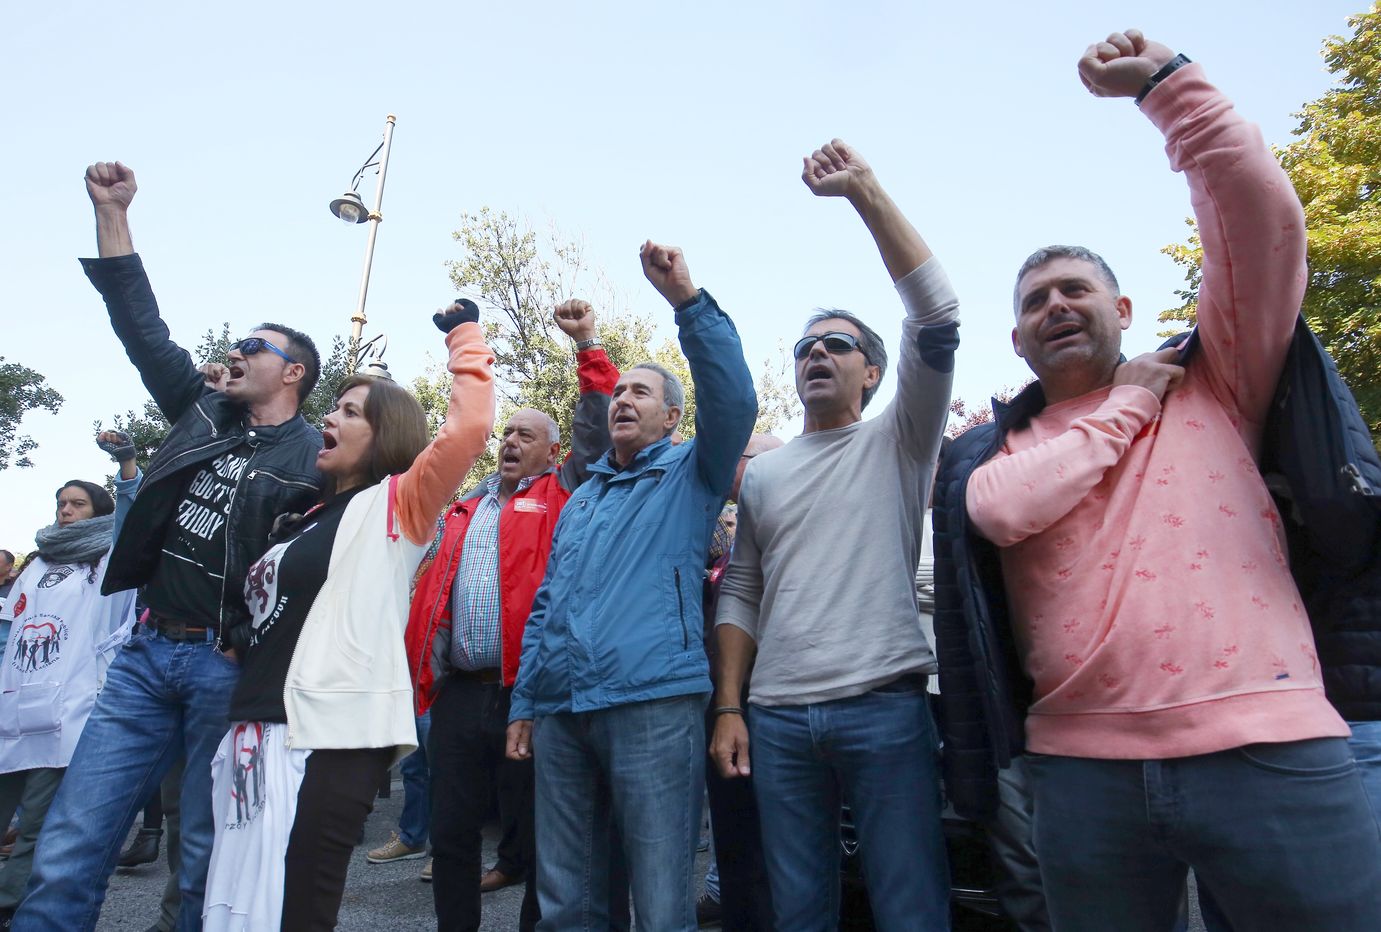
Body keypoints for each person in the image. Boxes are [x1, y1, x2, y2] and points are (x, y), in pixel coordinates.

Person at [931, 30, 1381, 932]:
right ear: (1016, 343)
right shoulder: (993, 449)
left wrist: (1172, 90)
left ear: (1123, 310)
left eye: (1075, 290)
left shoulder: (1220, 380)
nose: (1055, 306)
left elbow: (1262, 223)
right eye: (1033, 303)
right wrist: (1127, 403)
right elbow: (1002, 511)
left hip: (1273, 749)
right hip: (1081, 776)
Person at [14, 162, 324, 932]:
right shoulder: (200, 412)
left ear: (293, 371)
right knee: (72, 838)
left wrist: (251, 645)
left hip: (225, 668)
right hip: (145, 656)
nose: (237, 349)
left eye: (256, 343)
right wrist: (113, 213)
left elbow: (311, 574)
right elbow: (137, 323)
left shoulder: (315, 458)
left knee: (202, 853)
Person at [711, 139, 960, 932]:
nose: (816, 354)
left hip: (884, 709)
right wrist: (729, 706)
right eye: (803, 349)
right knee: (800, 911)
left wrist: (864, 194)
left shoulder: (902, 440)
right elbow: (742, 588)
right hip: (776, 719)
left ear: (873, 373)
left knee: (909, 904)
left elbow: (937, 315)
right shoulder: (768, 473)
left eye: (837, 345)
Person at [199, 300, 495, 930]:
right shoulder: (301, 519)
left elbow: (469, 430)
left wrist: (464, 336)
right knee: (234, 906)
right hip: (255, 727)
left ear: (384, 434)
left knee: (297, 908)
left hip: (326, 738)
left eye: (349, 411)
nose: (327, 417)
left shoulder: (397, 506)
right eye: (332, 406)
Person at [506, 240, 757, 931]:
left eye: (639, 391)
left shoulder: (689, 474)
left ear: (672, 417)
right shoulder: (583, 496)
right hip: (560, 709)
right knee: (566, 896)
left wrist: (686, 304)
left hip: (651, 702)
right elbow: (548, 602)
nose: (621, 399)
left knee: (659, 894)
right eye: (618, 390)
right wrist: (526, 700)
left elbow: (734, 398)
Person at [406, 297, 618, 931]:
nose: (510, 441)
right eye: (506, 433)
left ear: (552, 454)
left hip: (533, 694)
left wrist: (587, 348)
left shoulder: (565, 493)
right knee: (451, 833)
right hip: (460, 695)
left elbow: (595, 427)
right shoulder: (462, 510)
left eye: (526, 434)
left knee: (539, 837)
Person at [0, 434, 141, 928]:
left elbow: (130, 520)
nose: (66, 511)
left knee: (36, 825)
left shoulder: (107, 561)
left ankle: (12, 906)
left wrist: (126, 465)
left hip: (64, 715)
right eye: (61, 503)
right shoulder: (36, 562)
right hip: (12, 711)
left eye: (77, 504)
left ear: (97, 510)